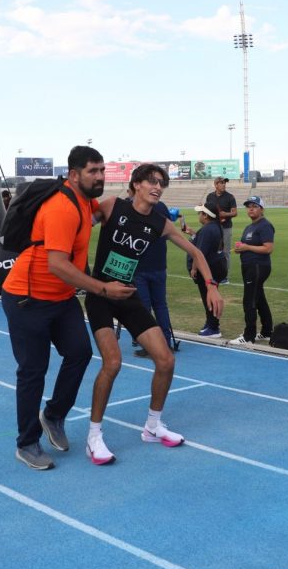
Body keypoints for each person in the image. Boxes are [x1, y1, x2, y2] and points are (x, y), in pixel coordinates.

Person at [1, 146, 133, 470]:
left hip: (61, 298)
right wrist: (104, 289)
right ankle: (27, 443)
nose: (100, 177)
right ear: (73, 175)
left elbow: (103, 210)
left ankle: (53, 415)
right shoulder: (62, 207)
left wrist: (136, 200)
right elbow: (57, 264)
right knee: (33, 370)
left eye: (102, 170)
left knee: (79, 352)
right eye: (93, 171)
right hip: (27, 298)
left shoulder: (84, 200)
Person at [83, 164, 223, 465]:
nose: (158, 187)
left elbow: (197, 252)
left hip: (128, 296)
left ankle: (152, 426)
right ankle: (94, 436)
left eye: (162, 183)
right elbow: (77, 230)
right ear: (136, 184)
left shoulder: (160, 223)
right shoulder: (112, 206)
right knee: (112, 362)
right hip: (101, 296)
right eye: (152, 181)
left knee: (166, 360)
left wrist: (212, 286)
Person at [126, 182, 178, 357]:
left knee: (144, 307)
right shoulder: (161, 206)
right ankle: (165, 343)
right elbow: (168, 232)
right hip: (159, 264)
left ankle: (151, 346)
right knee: (160, 305)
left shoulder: (134, 208)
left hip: (141, 265)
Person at [230, 196, 274, 344]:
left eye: (254, 206)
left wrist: (247, 247)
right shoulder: (250, 227)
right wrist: (240, 249)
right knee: (259, 299)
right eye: (249, 206)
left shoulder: (265, 225)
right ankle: (267, 331)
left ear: (262, 209)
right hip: (250, 266)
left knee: (249, 300)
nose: (251, 209)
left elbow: (268, 248)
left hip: (257, 266)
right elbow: (247, 246)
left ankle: (249, 336)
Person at [188, 204, 227, 337]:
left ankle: (213, 327)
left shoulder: (207, 229)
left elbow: (200, 253)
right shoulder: (215, 226)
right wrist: (193, 234)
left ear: (205, 215)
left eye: (200, 213)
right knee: (209, 296)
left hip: (209, 269)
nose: (199, 215)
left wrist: (194, 268)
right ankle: (210, 323)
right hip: (217, 266)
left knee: (208, 297)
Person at [204, 176, 238, 275]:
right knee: (212, 250)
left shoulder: (230, 197)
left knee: (225, 251)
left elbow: (235, 213)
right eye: (221, 183)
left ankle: (225, 276)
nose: (224, 185)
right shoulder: (210, 196)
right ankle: (213, 272)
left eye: (224, 183)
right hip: (213, 227)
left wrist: (225, 214)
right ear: (216, 185)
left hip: (226, 227)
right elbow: (208, 210)